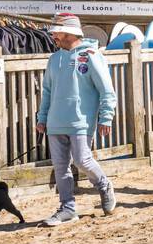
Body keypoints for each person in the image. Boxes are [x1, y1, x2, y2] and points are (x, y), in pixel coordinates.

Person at [35, 13, 116, 226]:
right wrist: (42, 117)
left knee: (82, 159)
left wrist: (106, 117)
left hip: (81, 121)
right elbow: (47, 91)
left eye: (56, 32)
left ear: (70, 32)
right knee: (60, 167)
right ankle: (67, 208)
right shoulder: (54, 59)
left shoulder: (91, 55)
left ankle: (104, 185)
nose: (53, 36)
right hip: (55, 122)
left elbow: (106, 90)